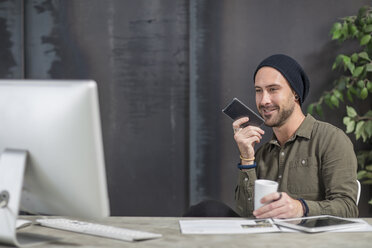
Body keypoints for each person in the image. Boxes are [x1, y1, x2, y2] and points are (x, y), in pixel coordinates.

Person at [233, 54, 359, 218]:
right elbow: (247, 215)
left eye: (273, 89)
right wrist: (247, 158)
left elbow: (348, 208)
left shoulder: (331, 140)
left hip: (311, 242)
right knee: (207, 210)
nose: (264, 100)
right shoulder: (262, 154)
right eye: (259, 91)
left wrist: (301, 208)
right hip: (268, 242)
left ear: (295, 94)